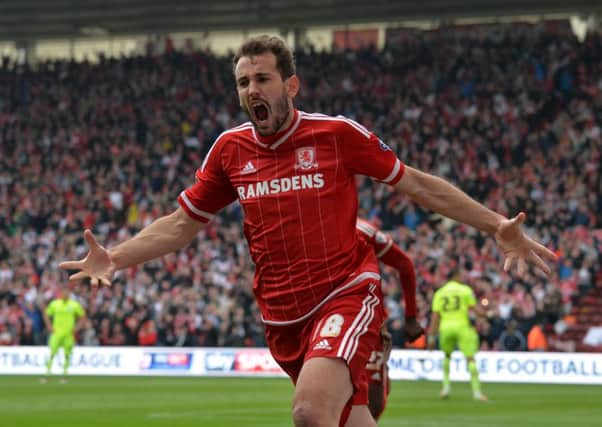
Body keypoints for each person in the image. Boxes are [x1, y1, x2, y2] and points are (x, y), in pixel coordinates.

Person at [60, 35, 556, 427]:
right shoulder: (230, 151)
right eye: (243, 82)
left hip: (346, 292)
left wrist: (496, 224)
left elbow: (418, 186)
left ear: (291, 85)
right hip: (281, 316)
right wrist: (116, 257)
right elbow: (180, 226)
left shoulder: (336, 135)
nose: (252, 90)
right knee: (348, 420)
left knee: (310, 412)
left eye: (263, 79)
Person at [356, 218, 423, 420]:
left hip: (367, 322)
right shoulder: (305, 228)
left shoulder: (360, 229)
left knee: (372, 401)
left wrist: (410, 315)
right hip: (324, 322)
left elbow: (404, 263)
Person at [427, 270, 488, 401]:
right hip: (462, 327)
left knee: (447, 356)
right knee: (470, 359)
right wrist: (487, 314)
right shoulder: (465, 290)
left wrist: (431, 337)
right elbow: (475, 310)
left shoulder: (439, 293)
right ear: (455, 276)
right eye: (460, 275)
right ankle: (477, 392)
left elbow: (435, 317)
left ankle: (446, 388)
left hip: (446, 327)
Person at [42, 285, 86, 382]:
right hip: (56, 333)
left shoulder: (74, 305)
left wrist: (77, 328)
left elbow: (83, 316)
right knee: (52, 353)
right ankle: (47, 374)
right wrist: (49, 326)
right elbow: (46, 314)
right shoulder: (55, 304)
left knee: (67, 354)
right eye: (63, 292)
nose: (65, 294)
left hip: (68, 334)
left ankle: (64, 375)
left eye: (67, 292)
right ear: (61, 293)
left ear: (69, 294)